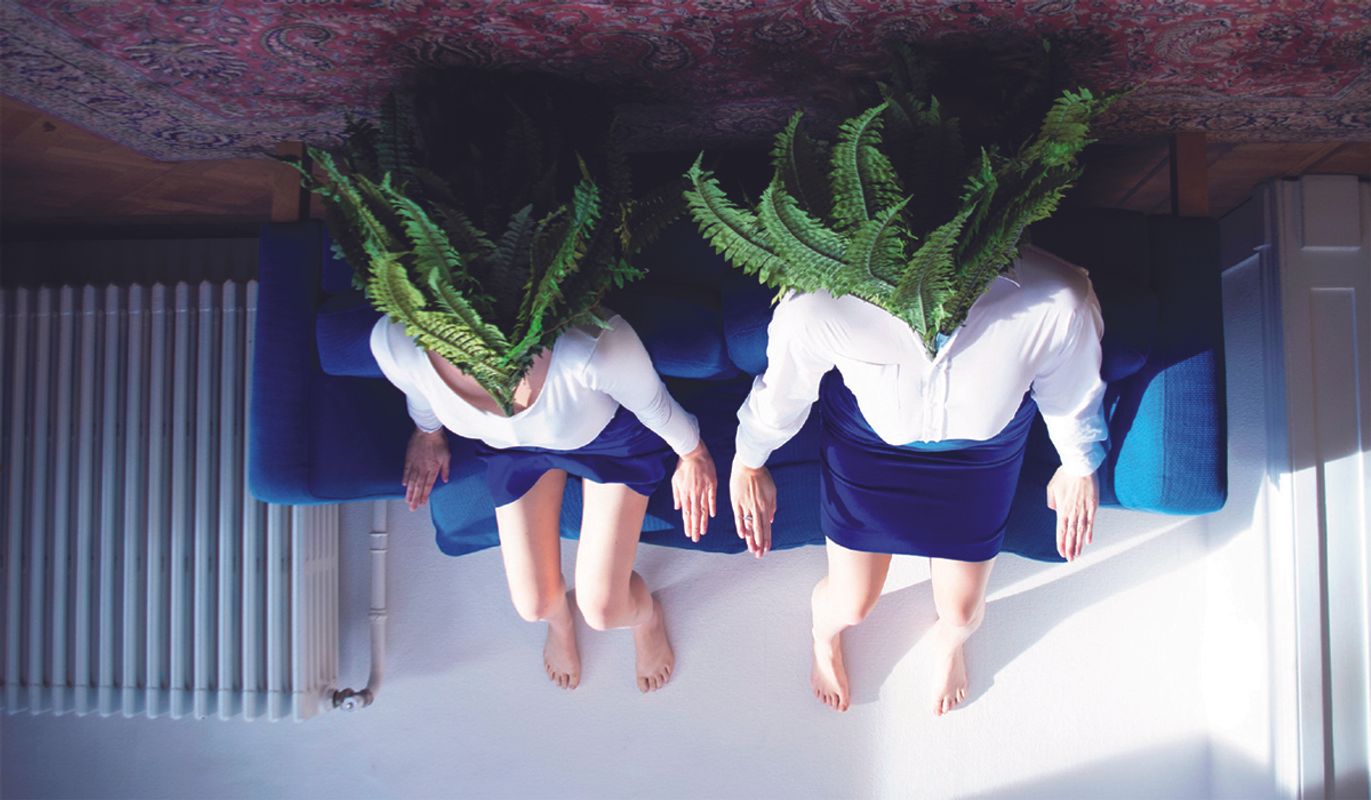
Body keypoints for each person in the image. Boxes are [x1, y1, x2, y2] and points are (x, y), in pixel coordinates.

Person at [728, 241, 1107, 714]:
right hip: (869, 448)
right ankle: (822, 637)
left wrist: (1077, 465)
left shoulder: (1058, 299)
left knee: (961, 613)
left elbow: (1072, 390)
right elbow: (783, 391)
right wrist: (748, 460)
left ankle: (949, 644)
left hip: (979, 457)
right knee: (850, 604)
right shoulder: (821, 301)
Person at [373, 310, 718, 693]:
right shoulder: (397, 339)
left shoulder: (590, 346)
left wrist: (693, 454)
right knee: (533, 605)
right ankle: (560, 623)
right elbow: (418, 389)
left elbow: (653, 403)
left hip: (608, 443)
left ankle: (646, 618)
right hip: (515, 452)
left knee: (604, 609)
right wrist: (428, 432)